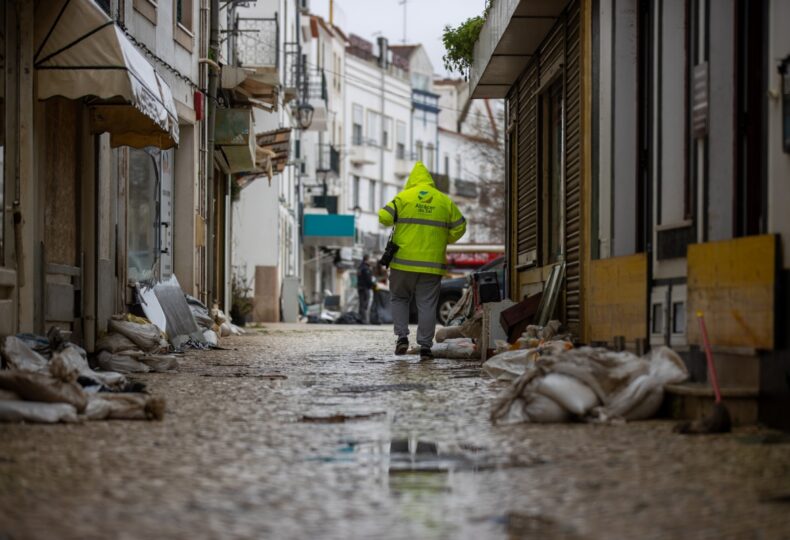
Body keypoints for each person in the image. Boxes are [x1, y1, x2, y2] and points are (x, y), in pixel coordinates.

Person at [378, 161, 466, 360]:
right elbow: (461, 226)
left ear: (411, 180)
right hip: (432, 264)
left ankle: (402, 338)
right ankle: (425, 346)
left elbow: (383, 217)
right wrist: (445, 238)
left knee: (399, 298)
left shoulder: (403, 198)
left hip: (402, 262)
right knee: (427, 304)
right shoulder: (444, 201)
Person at [356, 254, 374, 323]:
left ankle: (360, 319)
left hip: (360, 287)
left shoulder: (360, 267)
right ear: (367, 259)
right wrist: (372, 285)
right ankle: (364, 320)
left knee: (361, 304)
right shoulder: (365, 268)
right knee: (365, 304)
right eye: (370, 259)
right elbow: (368, 279)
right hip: (365, 288)